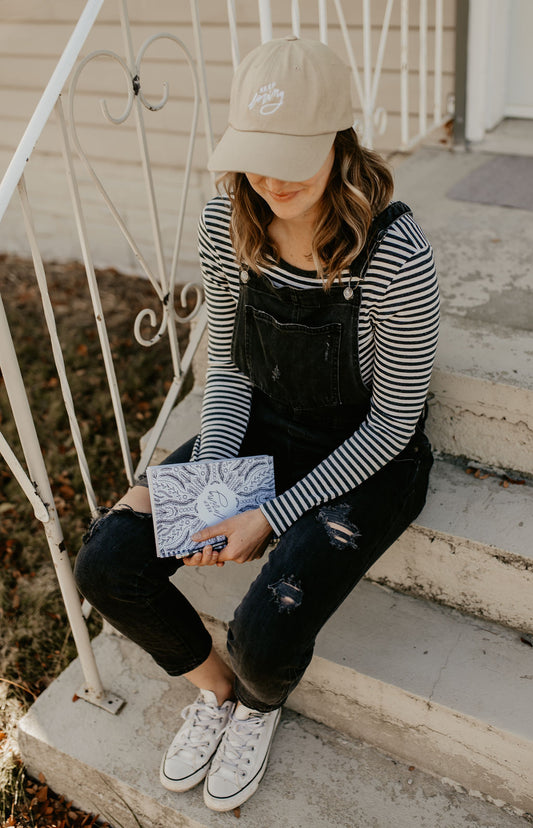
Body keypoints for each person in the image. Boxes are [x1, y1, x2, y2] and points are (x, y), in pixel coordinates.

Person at [74, 36, 439, 813]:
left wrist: (264, 517)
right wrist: (211, 477)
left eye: (292, 155)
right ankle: (221, 695)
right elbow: (233, 367)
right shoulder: (226, 220)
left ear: (340, 142)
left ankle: (260, 704)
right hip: (264, 426)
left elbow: (393, 423)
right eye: (255, 155)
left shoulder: (396, 255)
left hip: (368, 453)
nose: (269, 178)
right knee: (108, 560)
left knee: (266, 629)